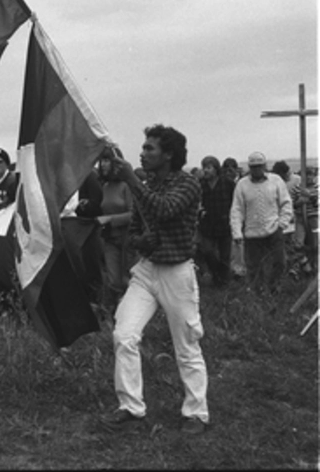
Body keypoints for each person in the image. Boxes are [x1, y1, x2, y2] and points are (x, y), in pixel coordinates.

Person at [100, 124, 209, 435]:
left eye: (150, 148)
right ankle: (131, 407)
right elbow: (135, 229)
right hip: (148, 270)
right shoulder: (147, 184)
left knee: (186, 343)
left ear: (169, 155)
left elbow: (163, 210)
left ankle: (196, 412)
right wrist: (140, 242)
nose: (143, 152)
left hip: (177, 271)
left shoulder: (187, 184)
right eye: (144, 147)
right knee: (124, 335)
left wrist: (131, 180)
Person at [230, 152, 293, 296]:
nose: (257, 170)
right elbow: (236, 210)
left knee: (279, 262)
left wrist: (282, 223)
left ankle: (273, 289)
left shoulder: (276, 180)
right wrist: (237, 232)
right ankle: (256, 293)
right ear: (249, 167)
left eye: (259, 166)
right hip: (252, 233)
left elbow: (286, 203)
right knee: (254, 266)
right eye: (253, 167)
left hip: (274, 230)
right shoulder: (242, 184)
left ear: (265, 166)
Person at [97, 147, 135, 311]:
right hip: (110, 239)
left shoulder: (126, 186)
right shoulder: (105, 186)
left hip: (127, 239)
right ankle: (116, 313)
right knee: (114, 280)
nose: (104, 164)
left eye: (107, 160)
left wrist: (111, 219)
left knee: (129, 279)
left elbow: (134, 215)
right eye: (102, 160)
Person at [197, 156, 235, 287]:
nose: (205, 171)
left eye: (208, 167)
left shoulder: (228, 183)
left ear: (216, 168)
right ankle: (217, 273)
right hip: (207, 224)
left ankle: (222, 282)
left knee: (225, 256)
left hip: (225, 223)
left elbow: (235, 202)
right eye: (204, 168)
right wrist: (199, 211)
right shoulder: (200, 184)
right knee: (207, 252)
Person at [272, 160, 303, 278]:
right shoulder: (274, 184)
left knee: (290, 244)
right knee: (284, 245)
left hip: (290, 218)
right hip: (279, 219)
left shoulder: (295, 180)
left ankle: (295, 267)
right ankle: (292, 267)